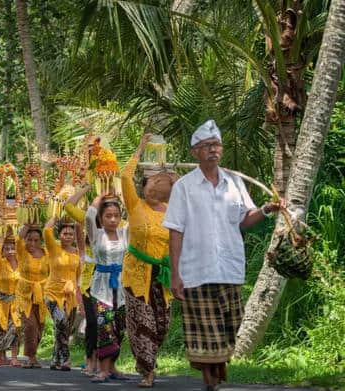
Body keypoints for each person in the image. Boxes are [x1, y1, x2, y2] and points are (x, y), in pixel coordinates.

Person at [163, 120, 285, 391]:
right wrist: (175, 273)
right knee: (206, 331)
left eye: (216, 145)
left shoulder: (234, 183)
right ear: (195, 152)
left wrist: (266, 209)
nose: (213, 150)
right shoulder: (184, 187)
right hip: (196, 269)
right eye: (207, 146)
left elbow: (244, 219)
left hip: (229, 267)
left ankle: (216, 375)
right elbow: (175, 231)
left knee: (230, 326)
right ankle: (210, 382)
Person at [121, 133, 178, 387]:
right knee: (142, 322)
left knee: (162, 324)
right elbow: (124, 177)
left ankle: (150, 361)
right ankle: (147, 371)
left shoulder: (172, 208)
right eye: (151, 182)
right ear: (144, 186)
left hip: (163, 275)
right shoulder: (135, 205)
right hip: (136, 274)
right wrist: (140, 148)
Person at [81, 187, 128, 383]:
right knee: (104, 327)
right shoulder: (96, 235)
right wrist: (100, 196)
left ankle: (112, 367)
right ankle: (102, 369)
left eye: (116, 216)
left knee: (119, 328)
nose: (112, 220)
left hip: (122, 289)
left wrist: (121, 196)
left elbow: (134, 213)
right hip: (101, 289)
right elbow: (89, 216)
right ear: (102, 217)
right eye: (108, 216)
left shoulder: (126, 233)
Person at [43, 217, 83, 371]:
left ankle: (55, 358)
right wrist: (56, 216)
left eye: (71, 234)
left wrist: (79, 297)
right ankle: (65, 359)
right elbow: (46, 230)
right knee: (61, 322)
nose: (68, 236)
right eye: (65, 233)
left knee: (65, 327)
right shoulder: (53, 248)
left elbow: (78, 276)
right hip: (52, 293)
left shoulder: (77, 253)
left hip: (70, 296)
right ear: (59, 235)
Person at [62, 201, 97, 377]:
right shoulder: (83, 251)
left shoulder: (106, 248)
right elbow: (78, 225)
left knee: (104, 327)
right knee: (90, 325)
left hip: (105, 290)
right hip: (85, 292)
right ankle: (89, 360)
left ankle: (101, 362)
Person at [16, 225, 49, 368]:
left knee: (40, 326)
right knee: (30, 325)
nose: (33, 243)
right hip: (24, 296)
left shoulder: (47, 253)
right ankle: (31, 357)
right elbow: (18, 238)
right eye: (30, 240)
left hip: (42, 295)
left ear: (41, 241)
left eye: (36, 240)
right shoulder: (22, 252)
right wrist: (27, 225)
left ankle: (33, 355)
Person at [0, 230, 21, 367]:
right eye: (6, 248)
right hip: (1, 302)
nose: (10, 251)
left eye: (13, 248)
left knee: (15, 329)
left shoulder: (21, 264)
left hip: (16, 302)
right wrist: (1, 238)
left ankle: (14, 357)